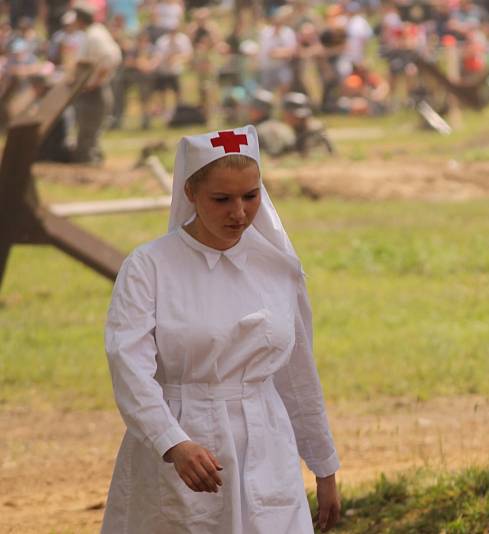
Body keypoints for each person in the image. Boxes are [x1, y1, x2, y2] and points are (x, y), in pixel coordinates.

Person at [101, 124, 341, 533]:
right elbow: (129, 367)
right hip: (186, 443)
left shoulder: (277, 269)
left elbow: (297, 373)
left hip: (267, 443)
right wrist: (172, 442)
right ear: (191, 193)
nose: (239, 212)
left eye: (250, 196)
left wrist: (324, 466)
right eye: (222, 199)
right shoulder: (150, 267)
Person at [71, 2, 122, 164]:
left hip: (95, 91)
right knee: (89, 130)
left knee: (89, 130)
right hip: (95, 89)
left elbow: (110, 58)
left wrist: (96, 81)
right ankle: (88, 161)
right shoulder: (96, 32)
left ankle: (88, 165)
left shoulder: (95, 35)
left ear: (80, 19)